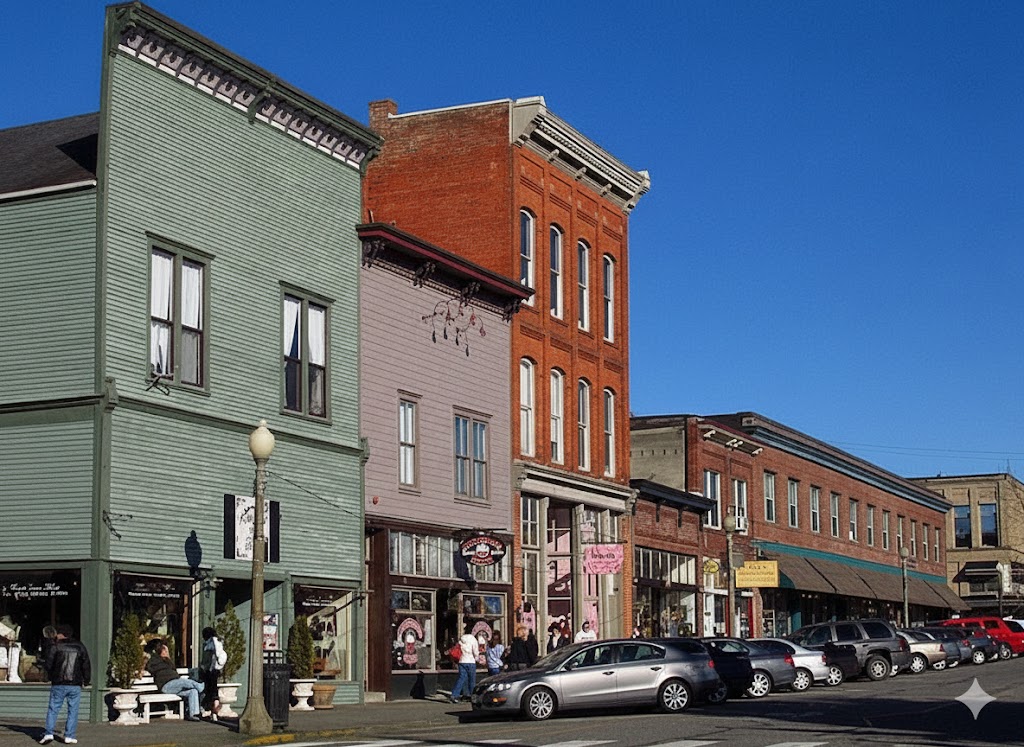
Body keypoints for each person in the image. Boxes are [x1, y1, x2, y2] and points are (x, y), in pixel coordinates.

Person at [39, 624, 90, 745]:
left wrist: (50, 676)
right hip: (75, 683)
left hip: (58, 682)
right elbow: (86, 665)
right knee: (73, 710)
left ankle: (48, 733)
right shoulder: (80, 646)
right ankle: (69, 735)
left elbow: (49, 664)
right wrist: (86, 680)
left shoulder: (55, 646)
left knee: (53, 708)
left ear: (61, 634)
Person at [145, 639, 204, 720]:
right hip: (166, 685)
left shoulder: (167, 661)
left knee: (193, 691)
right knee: (184, 681)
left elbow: (173, 669)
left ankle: (194, 714)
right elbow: (149, 667)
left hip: (175, 685)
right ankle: (202, 687)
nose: (166, 652)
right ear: (159, 651)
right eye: (164, 650)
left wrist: (168, 656)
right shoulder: (154, 660)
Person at [198, 627, 227, 720]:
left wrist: (206, 667)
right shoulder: (217, 641)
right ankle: (214, 708)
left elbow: (215, 655)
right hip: (213, 669)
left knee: (209, 689)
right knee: (212, 689)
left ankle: (212, 708)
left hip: (211, 670)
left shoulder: (212, 643)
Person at [449, 628, 479, 704]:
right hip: (471, 661)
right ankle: (472, 696)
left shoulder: (461, 640)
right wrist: (477, 658)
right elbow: (475, 652)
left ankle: (454, 695)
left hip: (462, 661)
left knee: (461, 678)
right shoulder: (473, 640)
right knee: (472, 680)